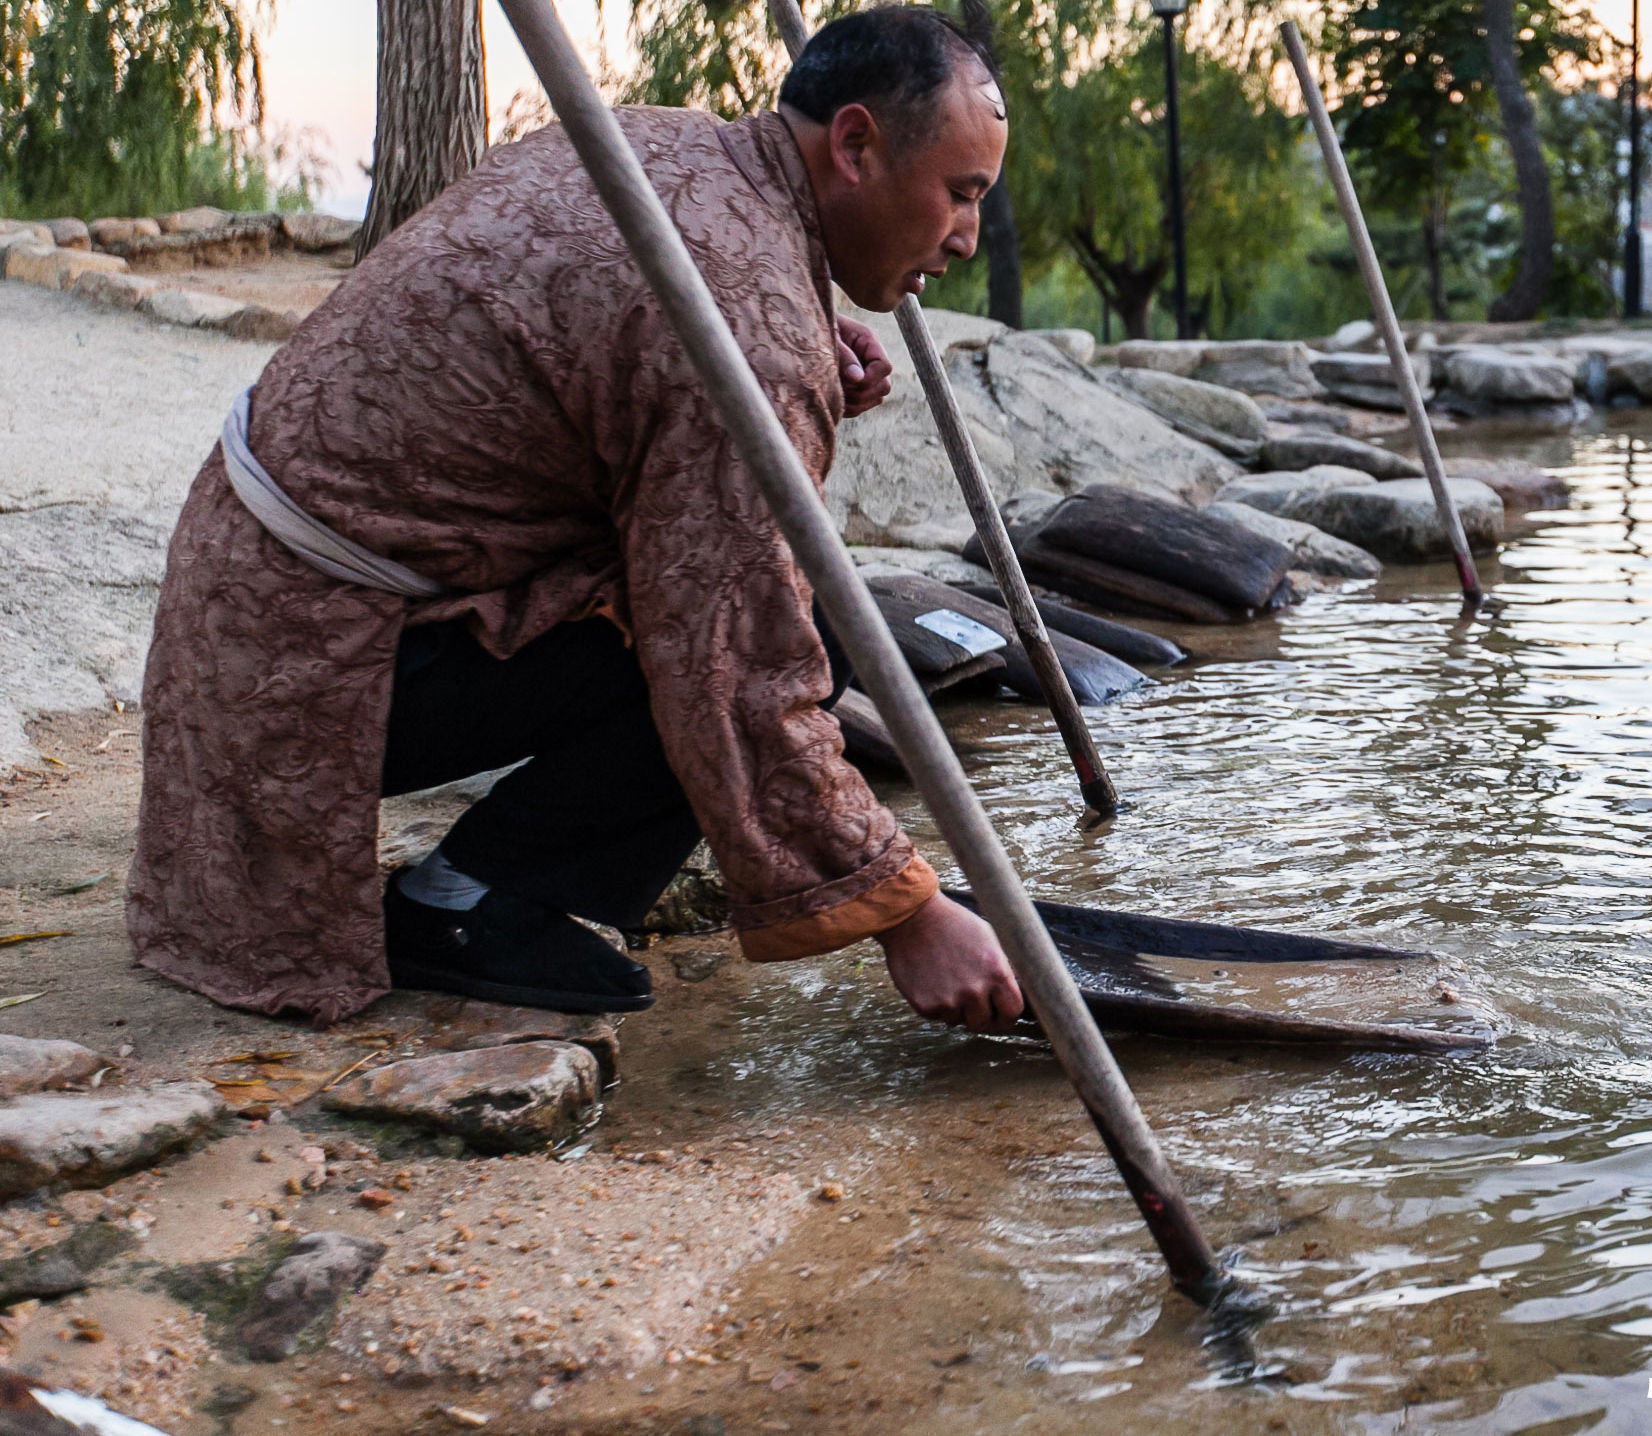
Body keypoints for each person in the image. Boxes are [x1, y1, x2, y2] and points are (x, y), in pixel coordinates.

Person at [127, 7, 1027, 1032]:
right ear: (857, 144)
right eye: (961, 195)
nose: (965, 235)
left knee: (762, 611)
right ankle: (461, 903)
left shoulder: (673, 146)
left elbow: (618, 324)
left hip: (241, 606)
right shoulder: (744, 336)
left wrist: (815, 326)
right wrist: (907, 910)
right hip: (311, 666)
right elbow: (738, 662)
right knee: (790, 636)